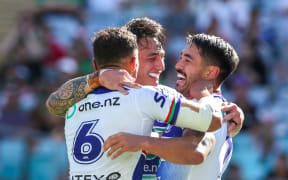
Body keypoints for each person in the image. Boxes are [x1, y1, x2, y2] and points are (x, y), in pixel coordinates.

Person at [46, 17, 244, 179]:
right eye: (152, 58)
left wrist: (224, 111)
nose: (162, 66)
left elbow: (204, 137)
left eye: (162, 57)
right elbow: (53, 104)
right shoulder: (141, 97)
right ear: (131, 58)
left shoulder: (164, 97)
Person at [103, 33, 240, 180]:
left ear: (210, 72)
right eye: (181, 58)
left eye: (187, 60)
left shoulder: (216, 111)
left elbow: (194, 152)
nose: (178, 65)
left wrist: (139, 142)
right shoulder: (188, 106)